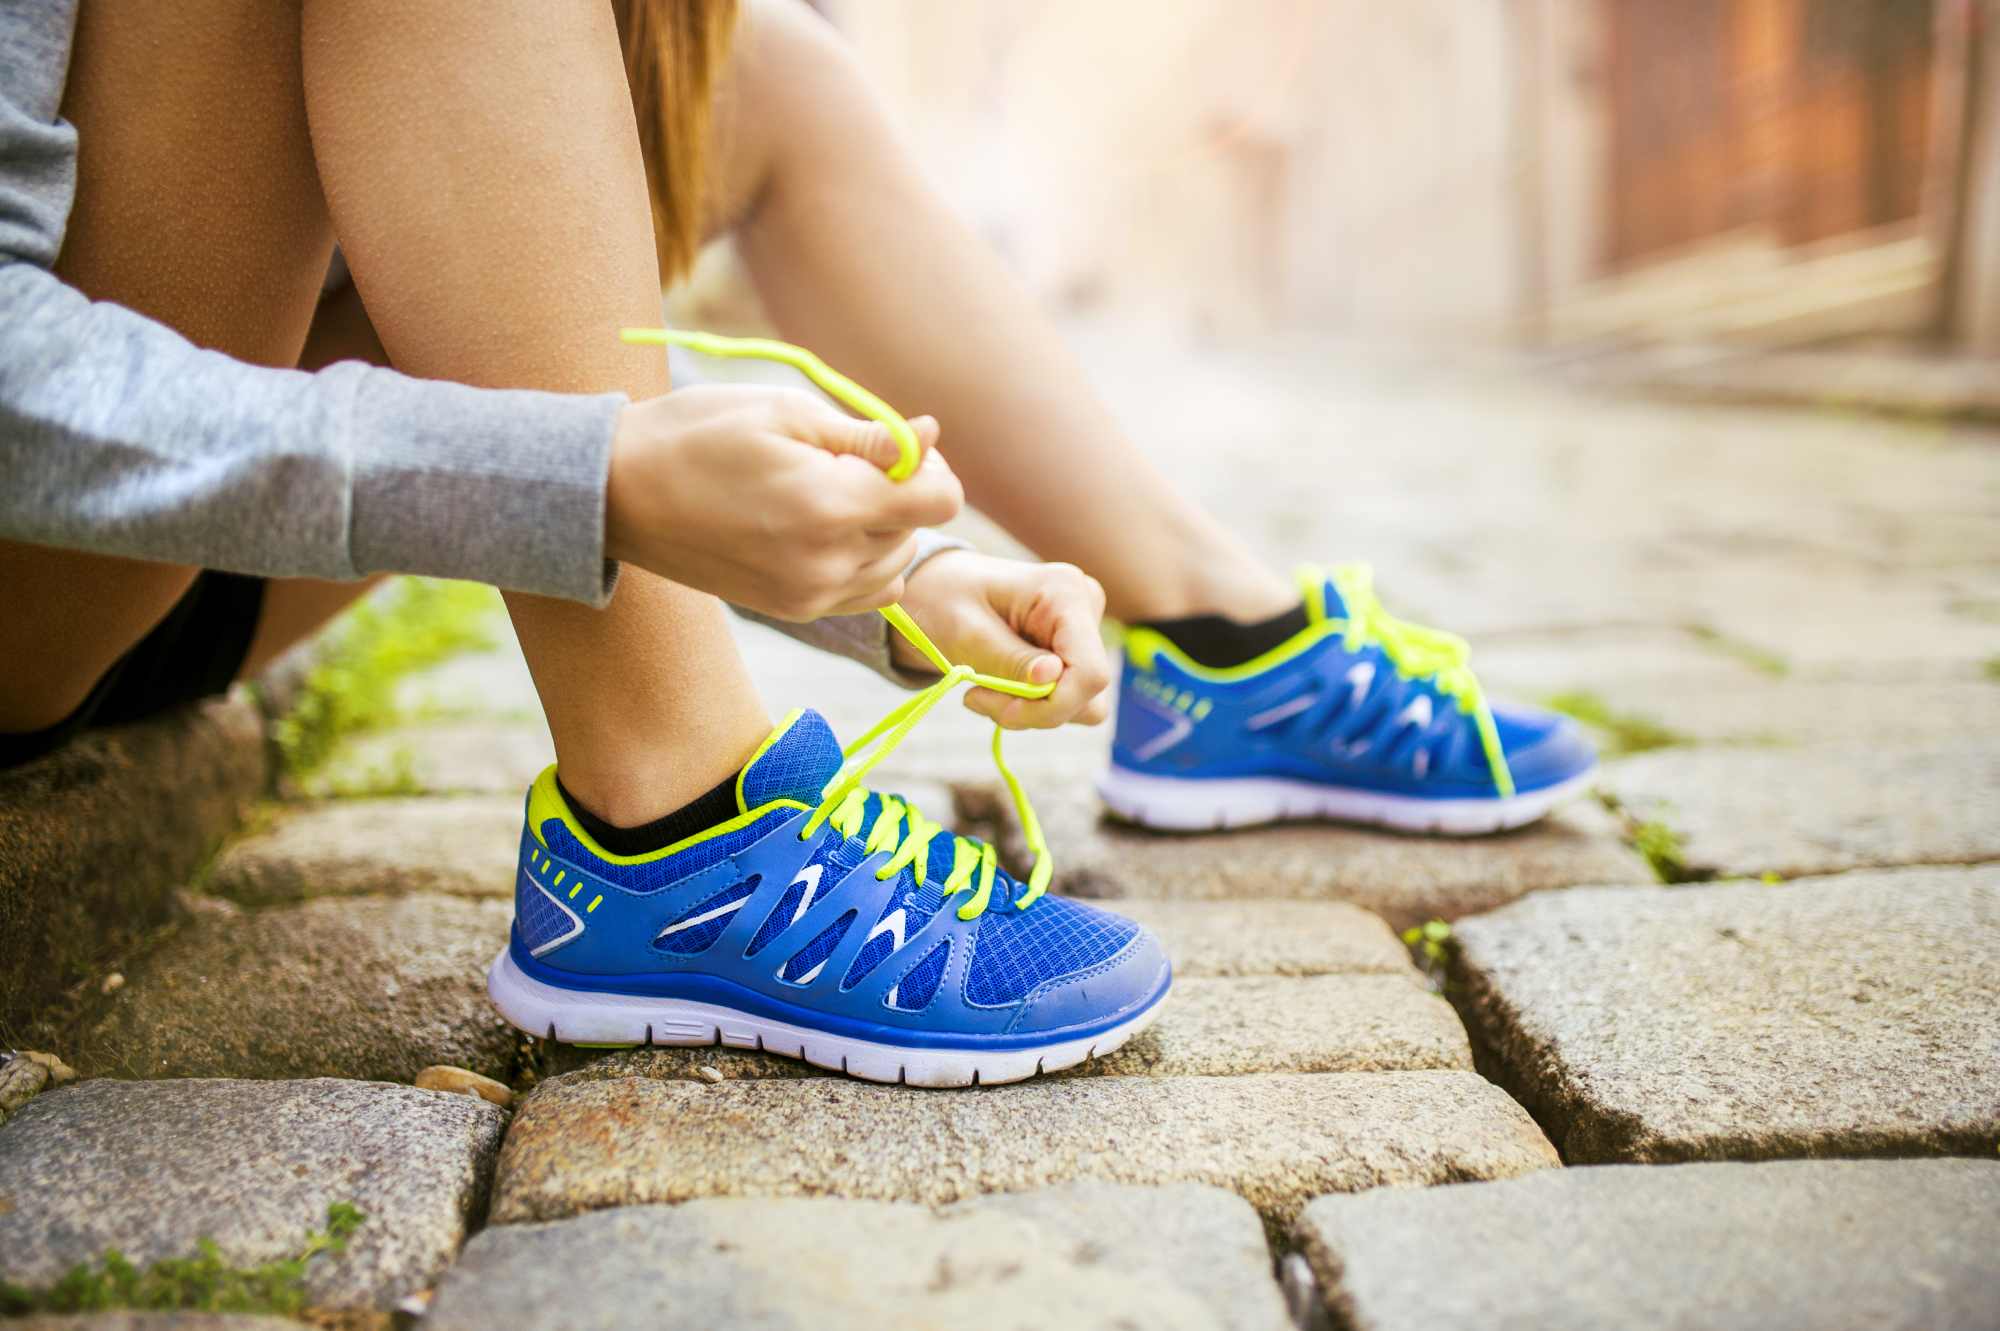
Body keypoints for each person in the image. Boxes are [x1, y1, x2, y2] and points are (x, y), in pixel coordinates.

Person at [0, 0, 1590, 1085]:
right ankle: (671, 817)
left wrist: (906, 586)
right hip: (47, 545)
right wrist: (591, 475)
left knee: (756, 63)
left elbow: (526, 326)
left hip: (207, 533)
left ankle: (1223, 638)